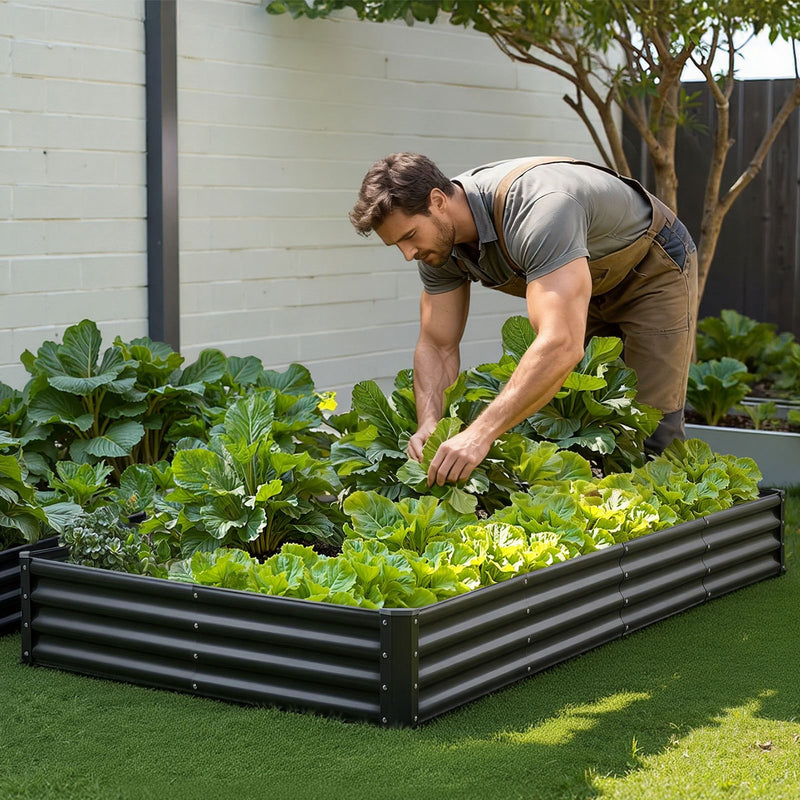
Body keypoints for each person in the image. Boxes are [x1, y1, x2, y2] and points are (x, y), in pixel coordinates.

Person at [348, 153, 698, 487]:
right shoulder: (438, 246)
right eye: (398, 245)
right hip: (581, 287)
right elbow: (437, 344)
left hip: (650, 271)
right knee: (581, 418)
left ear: (438, 201)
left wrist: (479, 434)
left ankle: (679, 531)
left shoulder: (539, 210)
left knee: (653, 425)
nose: (409, 255)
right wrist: (429, 423)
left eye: (409, 236)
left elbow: (561, 343)